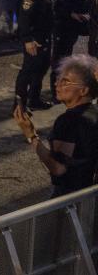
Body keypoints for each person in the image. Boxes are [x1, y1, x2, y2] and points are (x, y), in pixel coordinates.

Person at [14, 55, 98, 198]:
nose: (56, 84)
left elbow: (58, 168)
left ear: (83, 90)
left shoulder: (68, 121)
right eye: (58, 79)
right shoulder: (94, 113)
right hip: (91, 195)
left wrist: (31, 135)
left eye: (65, 82)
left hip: (69, 199)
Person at [15, 0, 57, 111]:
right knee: (28, 71)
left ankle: (34, 99)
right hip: (35, 40)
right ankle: (19, 105)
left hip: (45, 38)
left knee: (41, 69)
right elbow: (24, 18)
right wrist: (27, 39)